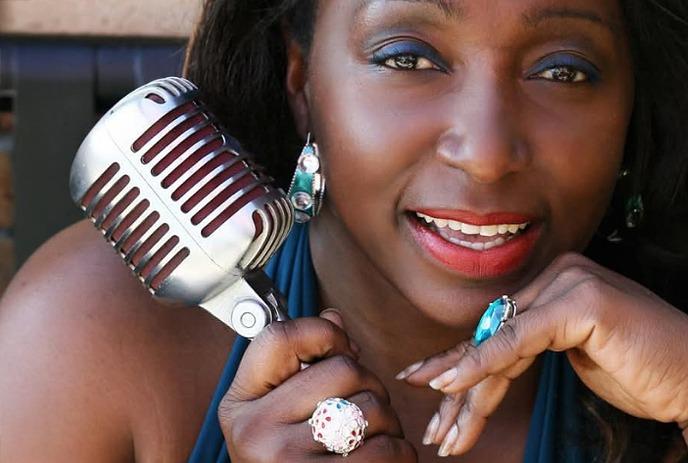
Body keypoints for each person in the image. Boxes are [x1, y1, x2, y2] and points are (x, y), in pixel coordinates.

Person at [0, 0, 687, 461]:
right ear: (300, 80)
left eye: (562, 70)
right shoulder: (88, 336)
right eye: (407, 58)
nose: (485, 150)